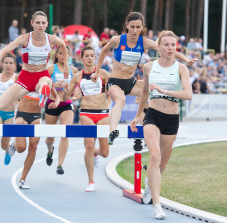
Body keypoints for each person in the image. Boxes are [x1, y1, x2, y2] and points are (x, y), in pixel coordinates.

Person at [91, 12, 197, 145]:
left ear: (142, 28)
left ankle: (153, 128)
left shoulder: (144, 42)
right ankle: (112, 132)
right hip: (115, 82)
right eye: (132, 27)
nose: (135, 30)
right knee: (121, 99)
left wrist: (186, 59)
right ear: (127, 26)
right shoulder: (117, 40)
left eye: (138, 27)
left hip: (131, 82)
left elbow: (167, 49)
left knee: (155, 90)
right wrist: (96, 72)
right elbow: (104, 51)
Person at [130, 30, 193, 219]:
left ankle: (150, 184)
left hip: (172, 119)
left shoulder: (181, 68)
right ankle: (157, 205)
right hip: (153, 115)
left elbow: (188, 94)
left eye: (173, 45)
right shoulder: (149, 67)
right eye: (166, 44)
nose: (171, 48)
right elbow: (144, 93)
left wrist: (164, 90)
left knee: (162, 164)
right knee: (155, 157)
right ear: (159, 48)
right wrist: (138, 114)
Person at [0, 11, 66, 113]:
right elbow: (3, 51)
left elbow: (63, 45)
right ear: (32, 23)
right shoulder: (24, 39)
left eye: (43, 23)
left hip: (42, 75)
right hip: (25, 78)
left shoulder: (51, 39)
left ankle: (43, 93)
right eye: (38, 22)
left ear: (47, 24)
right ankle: (42, 92)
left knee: (45, 81)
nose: (40, 25)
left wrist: (65, 66)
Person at [64, 46, 110, 192]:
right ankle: (91, 181)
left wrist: (109, 103)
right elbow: (68, 95)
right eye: (87, 56)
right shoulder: (77, 76)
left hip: (102, 113)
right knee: (89, 145)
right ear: (82, 58)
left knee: (105, 152)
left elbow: (111, 91)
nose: (90, 58)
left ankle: (96, 154)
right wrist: (66, 88)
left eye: (92, 55)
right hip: (86, 112)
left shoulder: (103, 73)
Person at [45, 46, 78, 175]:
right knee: (50, 139)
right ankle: (50, 150)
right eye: (60, 53)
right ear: (57, 55)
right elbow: (43, 86)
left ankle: (60, 164)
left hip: (66, 104)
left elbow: (77, 88)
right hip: (52, 104)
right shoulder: (51, 69)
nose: (63, 56)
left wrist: (70, 91)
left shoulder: (74, 70)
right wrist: (53, 85)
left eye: (65, 53)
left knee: (65, 132)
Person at [9, 92, 42, 189]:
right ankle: (15, 145)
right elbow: (12, 91)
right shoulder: (21, 76)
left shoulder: (46, 78)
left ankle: (22, 179)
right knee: (21, 148)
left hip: (36, 116)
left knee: (33, 146)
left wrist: (56, 101)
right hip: (22, 115)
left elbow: (54, 95)